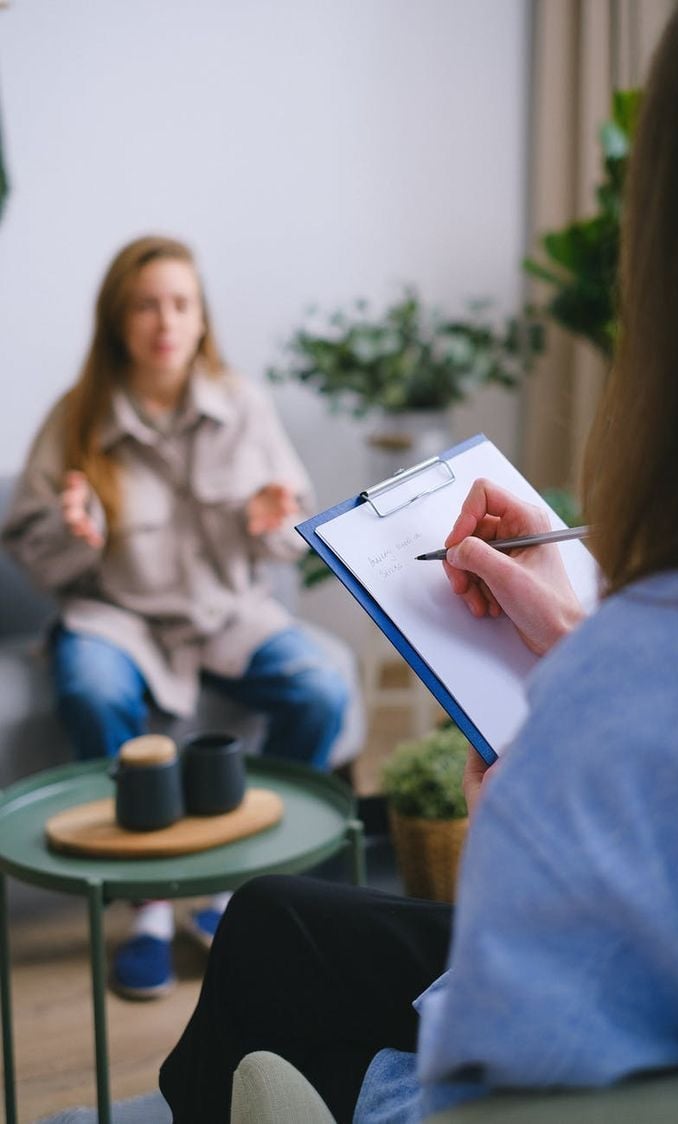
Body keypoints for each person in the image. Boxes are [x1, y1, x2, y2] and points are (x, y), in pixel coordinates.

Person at [159, 0, 678, 1119]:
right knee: (279, 914)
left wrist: (522, 816)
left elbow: (487, 1092)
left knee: (272, 970)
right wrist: (585, 643)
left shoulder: (615, 733)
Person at [2, 235, 349, 999]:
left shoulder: (244, 404)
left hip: (226, 616)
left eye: (180, 303)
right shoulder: (78, 415)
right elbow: (31, 548)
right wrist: (73, 530)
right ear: (117, 321)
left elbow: (290, 540)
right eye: (146, 305)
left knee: (323, 691)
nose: (165, 320)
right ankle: (149, 907)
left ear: (201, 319)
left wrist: (270, 523)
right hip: (117, 618)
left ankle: (239, 893)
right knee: (89, 686)